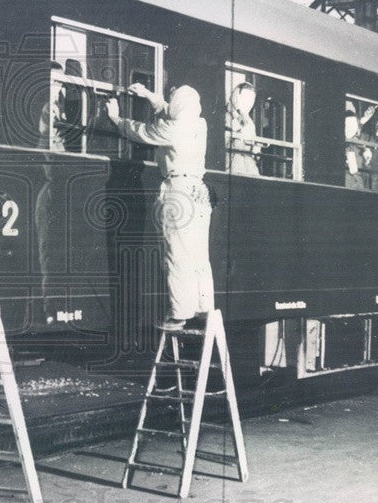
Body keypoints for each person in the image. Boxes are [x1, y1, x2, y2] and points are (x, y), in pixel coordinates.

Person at [105, 83, 214, 329]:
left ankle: (179, 313)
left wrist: (115, 118)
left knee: (176, 253)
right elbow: (170, 109)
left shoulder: (173, 129)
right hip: (199, 191)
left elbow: (142, 131)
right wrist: (149, 96)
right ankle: (204, 306)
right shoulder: (199, 123)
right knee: (198, 254)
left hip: (178, 192)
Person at [225, 81, 261, 176]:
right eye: (245, 98)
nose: (248, 102)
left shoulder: (250, 123)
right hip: (233, 164)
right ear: (237, 97)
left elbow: (253, 144)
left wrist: (256, 148)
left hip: (249, 164)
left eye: (251, 99)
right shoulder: (227, 117)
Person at [344, 101, 375, 189]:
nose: (351, 128)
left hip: (359, 184)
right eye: (347, 125)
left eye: (353, 125)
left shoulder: (360, 144)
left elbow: (366, 171)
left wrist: (367, 161)